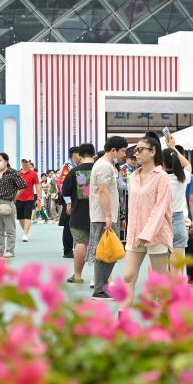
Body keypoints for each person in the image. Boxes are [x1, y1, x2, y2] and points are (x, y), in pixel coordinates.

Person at [120, 133, 173, 311]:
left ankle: (164, 320)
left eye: (140, 149)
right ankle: (122, 317)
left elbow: (160, 208)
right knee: (128, 277)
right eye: (135, 150)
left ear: (153, 151)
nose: (136, 153)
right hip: (135, 234)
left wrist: (147, 233)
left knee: (159, 283)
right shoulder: (133, 176)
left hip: (157, 235)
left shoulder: (162, 177)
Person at [86, 136, 128, 299]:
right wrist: (109, 215)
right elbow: (103, 191)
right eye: (123, 151)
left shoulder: (107, 165)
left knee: (108, 252)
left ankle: (101, 287)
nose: (124, 154)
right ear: (113, 150)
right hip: (103, 216)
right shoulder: (104, 166)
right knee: (106, 252)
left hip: (106, 215)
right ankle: (99, 288)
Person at [61, 143, 95, 284]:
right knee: (99, 244)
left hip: (79, 213)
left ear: (80, 155)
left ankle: (77, 275)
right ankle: (98, 278)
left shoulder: (75, 171)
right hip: (99, 213)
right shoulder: (101, 168)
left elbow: (65, 191)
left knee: (81, 243)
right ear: (93, 154)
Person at [161, 139, 192, 278]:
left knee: (159, 264)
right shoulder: (183, 177)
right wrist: (173, 148)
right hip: (179, 220)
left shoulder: (158, 178)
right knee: (177, 266)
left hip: (162, 221)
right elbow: (188, 164)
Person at [0, 153, 26, 258]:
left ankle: (10, 250)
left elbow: (23, 186)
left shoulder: (13, 173)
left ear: (6, 161)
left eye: (0, 160)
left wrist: (14, 198)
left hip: (8, 202)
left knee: (10, 228)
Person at [180, 145, 193, 285]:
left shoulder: (164, 175)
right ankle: (191, 276)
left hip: (171, 217)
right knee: (190, 247)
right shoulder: (190, 177)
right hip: (187, 217)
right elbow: (192, 200)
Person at [56, 147, 81, 257]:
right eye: (80, 154)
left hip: (77, 198)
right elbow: (62, 185)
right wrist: (68, 203)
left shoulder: (77, 166)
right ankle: (67, 250)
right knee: (68, 224)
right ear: (74, 154)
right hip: (69, 199)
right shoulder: (67, 167)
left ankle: (77, 247)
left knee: (76, 223)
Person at [16, 158, 41, 242]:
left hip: (29, 198)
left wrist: (38, 197)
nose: (24, 163)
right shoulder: (17, 174)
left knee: (27, 216)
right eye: (23, 162)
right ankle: (26, 231)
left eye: (26, 162)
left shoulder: (33, 174)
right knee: (20, 217)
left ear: (29, 163)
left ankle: (25, 234)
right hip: (18, 198)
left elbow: (37, 185)